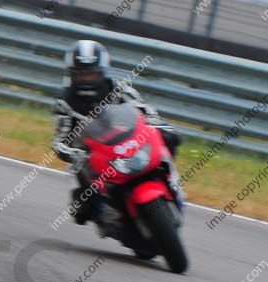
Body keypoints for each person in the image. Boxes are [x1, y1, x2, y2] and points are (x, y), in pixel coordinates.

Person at [51, 40, 180, 225]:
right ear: (71, 74)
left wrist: (154, 124)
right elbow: (60, 138)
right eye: (81, 75)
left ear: (102, 71)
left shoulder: (118, 87)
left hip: (125, 138)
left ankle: (171, 181)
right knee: (81, 207)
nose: (86, 79)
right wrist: (71, 153)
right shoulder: (63, 100)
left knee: (170, 136)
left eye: (91, 74)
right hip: (89, 151)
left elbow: (143, 108)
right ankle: (107, 214)